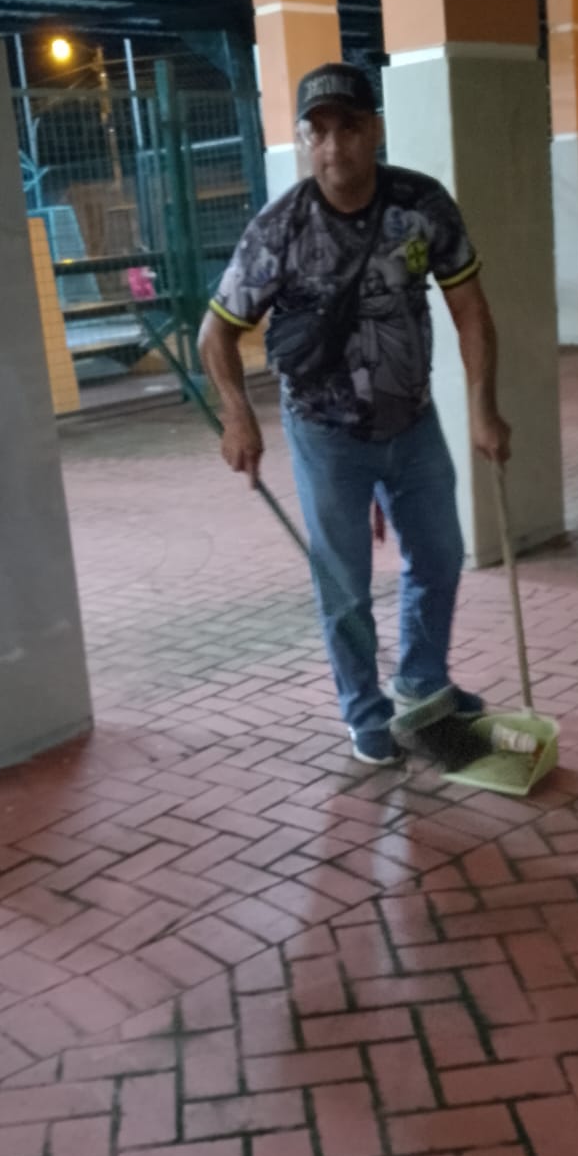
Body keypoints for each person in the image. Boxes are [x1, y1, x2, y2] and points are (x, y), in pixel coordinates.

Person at [198, 62, 511, 766]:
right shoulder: (279, 229)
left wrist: (484, 409)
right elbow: (214, 333)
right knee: (345, 587)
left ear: (375, 130)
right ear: (304, 140)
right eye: (318, 131)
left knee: (440, 556)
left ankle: (422, 683)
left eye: (348, 127)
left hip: (414, 423)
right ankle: (365, 712)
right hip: (325, 436)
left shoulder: (421, 204)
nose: (333, 145)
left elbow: (471, 310)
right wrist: (237, 416)